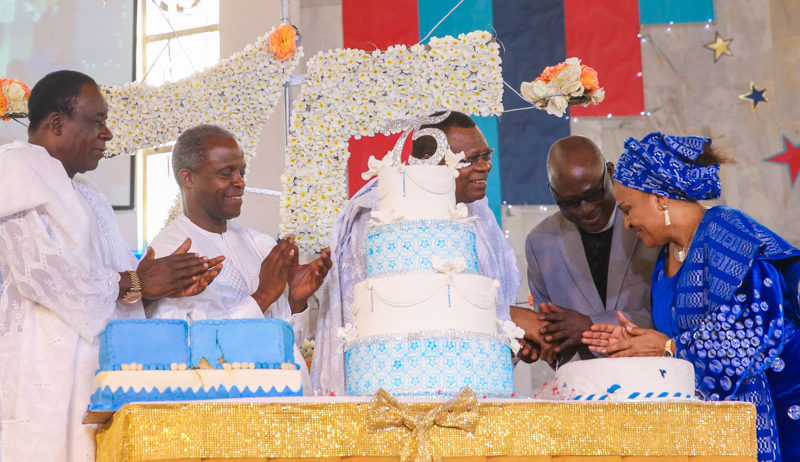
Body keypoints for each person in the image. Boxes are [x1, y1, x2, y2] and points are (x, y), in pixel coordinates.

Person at [0, 70, 223, 461]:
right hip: (39, 368)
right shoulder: (15, 171)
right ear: (57, 122)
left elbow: (120, 288)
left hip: (94, 374)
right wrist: (138, 280)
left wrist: (156, 290)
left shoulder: (91, 196)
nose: (108, 134)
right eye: (97, 122)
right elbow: (42, 276)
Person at [582, 132, 800, 462]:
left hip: (778, 414)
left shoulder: (726, 230)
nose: (626, 224)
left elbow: (746, 337)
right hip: (712, 424)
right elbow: (683, 339)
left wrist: (665, 347)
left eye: (628, 209)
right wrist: (638, 342)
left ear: (660, 198)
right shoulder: (662, 263)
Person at [314, 111, 526, 395]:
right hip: (391, 385)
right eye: (470, 159)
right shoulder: (377, 217)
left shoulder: (480, 214)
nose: (485, 166)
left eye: (486, 155)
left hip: (470, 382)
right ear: (429, 165)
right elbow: (366, 311)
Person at [147, 124, 332, 393]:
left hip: (287, 401)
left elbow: (287, 344)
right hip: (229, 412)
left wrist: (296, 300)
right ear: (188, 178)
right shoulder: (171, 251)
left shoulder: (260, 244)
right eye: (226, 174)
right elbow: (189, 355)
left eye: (242, 172)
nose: (240, 182)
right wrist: (263, 297)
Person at [523, 136, 657, 364]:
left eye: (594, 194)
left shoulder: (650, 224)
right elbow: (549, 328)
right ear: (553, 192)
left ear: (611, 173)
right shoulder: (540, 242)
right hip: (583, 389)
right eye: (569, 202)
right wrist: (541, 343)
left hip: (655, 378)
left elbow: (672, 316)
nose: (586, 210)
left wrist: (590, 325)